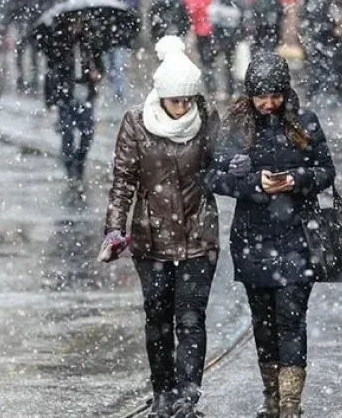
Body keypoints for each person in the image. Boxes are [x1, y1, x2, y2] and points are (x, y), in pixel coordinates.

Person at [207, 53, 336, 418]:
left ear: (285, 91)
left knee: (291, 318)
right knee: (262, 322)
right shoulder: (236, 128)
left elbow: (326, 171)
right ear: (249, 95)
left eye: (275, 96)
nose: (268, 104)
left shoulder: (305, 123)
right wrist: (253, 184)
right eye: (261, 96)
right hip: (253, 241)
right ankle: (272, 397)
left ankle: (291, 405)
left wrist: (296, 180)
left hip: (298, 237)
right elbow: (215, 177)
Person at [99, 36, 220, 418]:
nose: (182, 107)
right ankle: (163, 391)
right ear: (161, 95)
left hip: (199, 236)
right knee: (157, 317)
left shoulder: (206, 117)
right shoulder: (137, 122)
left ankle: (188, 394)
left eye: (187, 100)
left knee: (190, 317)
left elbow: (221, 166)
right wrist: (114, 229)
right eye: (175, 100)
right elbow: (123, 181)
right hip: (151, 239)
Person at [42, 14, 104, 181]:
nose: (76, 26)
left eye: (79, 22)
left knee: (87, 132)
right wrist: (49, 99)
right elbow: (50, 73)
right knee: (67, 132)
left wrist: (96, 74)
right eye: (73, 22)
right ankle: (69, 163)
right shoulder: (59, 44)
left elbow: (100, 66)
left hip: (85, 93)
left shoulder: (89, 43)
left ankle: (80, 159)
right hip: (66, 94)